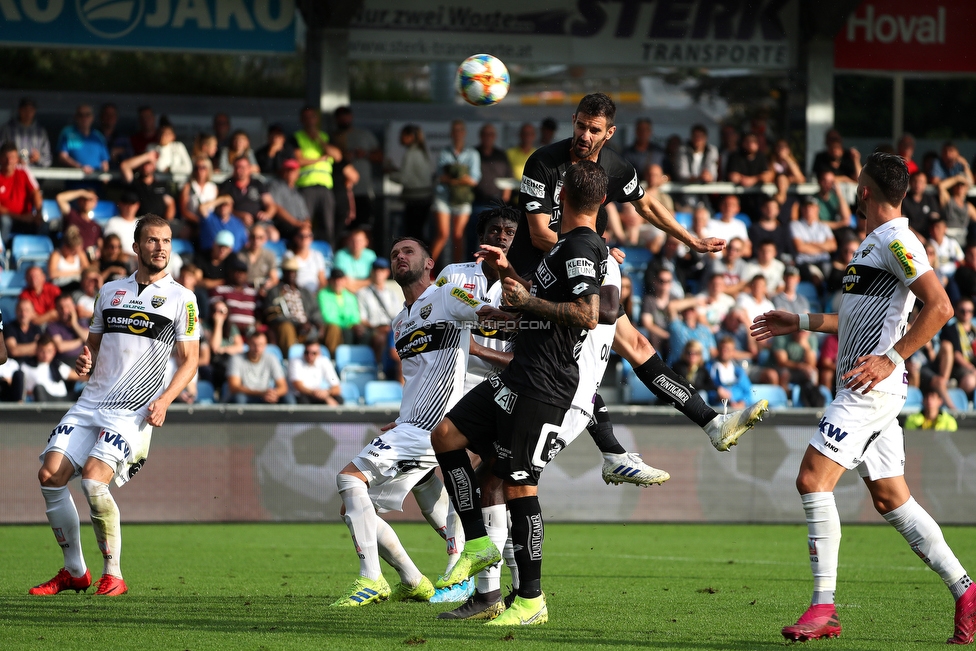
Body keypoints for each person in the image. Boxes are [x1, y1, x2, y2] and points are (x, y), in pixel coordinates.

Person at [751, 152, 976, 644]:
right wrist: (803, 321)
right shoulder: (875, 244)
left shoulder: (897, 239)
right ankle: (966, 591)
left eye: (857, 185)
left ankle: (823, 606)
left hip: (868, 388)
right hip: (866, 386)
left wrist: (890, 358)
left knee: (812, 478)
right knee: (891, 498)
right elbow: (857, 321)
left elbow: (940, 307)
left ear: (865, 191)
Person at [509, 93, 765, 456]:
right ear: (573, 120)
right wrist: (589, 248)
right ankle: (613, 453)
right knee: (562, 370)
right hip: (537, 278)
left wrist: (690, 239)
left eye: (593, 129)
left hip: (581, 271)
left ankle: (711, 423)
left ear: (609, 132)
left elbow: (645, 204)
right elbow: (536, 234)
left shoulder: (615, 168)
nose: (584, 135)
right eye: (580, 125)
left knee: (637, 345)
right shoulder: (543, 163)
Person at [331, 235, 510, 607]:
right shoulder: (399, 323)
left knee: (349, 478)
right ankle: (413, 579)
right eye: (394, 253)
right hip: (411, 425)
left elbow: (488, 317)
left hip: (434, 426)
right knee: (351, 506)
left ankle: (372, 579)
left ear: (429, 264)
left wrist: (527, 316)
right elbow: (415, 379)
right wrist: (401, 418)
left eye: (408, 251)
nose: (400, 256)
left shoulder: (445, 293)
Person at [30, 214, 199, 597]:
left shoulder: (182, 299)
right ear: (136, 247)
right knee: (49, 476)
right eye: (153, 241)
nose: (161, 248)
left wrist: (166, 400)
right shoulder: (109, 291)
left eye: (167, 241)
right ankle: (75, 571)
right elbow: (91, 345)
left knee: (93, 479)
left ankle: (114, 573)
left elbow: (191, 360)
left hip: (134, 409)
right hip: (91, 402)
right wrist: (83, 358)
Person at [433, 120, 481, 266]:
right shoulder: (444, 152)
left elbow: (474, 179)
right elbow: (440, 177)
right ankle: (428, 267)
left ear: (464, 133)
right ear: (451, 134)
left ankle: (456, 268)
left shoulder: (472, 153)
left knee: (458, 236)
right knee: (443, 234)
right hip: (444, 196)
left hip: (462, 198)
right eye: (455, 130)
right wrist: (460, 176)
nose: (458, 133)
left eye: (460, 130)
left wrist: (453, 178)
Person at [294, 106, 343, 245]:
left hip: (324, 187)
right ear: (302, 120)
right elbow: (298, 160)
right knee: (305, 222)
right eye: (306, 117)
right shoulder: (297, 137)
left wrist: (320, 140)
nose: (309, 120)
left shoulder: (326, 137)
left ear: (316, 119)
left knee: (327, 225)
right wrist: (320, 159)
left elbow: (337, 156)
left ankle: (327, 253)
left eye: (312, 117)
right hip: (306, 186)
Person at [332, 106, 382, 226]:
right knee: (344, 228)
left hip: (362, 190)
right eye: (341, 118)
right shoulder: (333, 137)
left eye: (346, 117)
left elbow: (379, 157)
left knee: (364, 227)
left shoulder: (364, 135)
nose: (344, 120)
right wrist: (343, 157)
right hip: (340, 191)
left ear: (351, 117)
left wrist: (365, 154)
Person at [263, 256, 320, 353]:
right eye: (288, 271)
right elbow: (272, 314)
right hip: (287, 326)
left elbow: (315, 310)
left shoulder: (305, 292)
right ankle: (289, 356)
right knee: (287, 328)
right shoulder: (275, 291)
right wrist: (297, 324)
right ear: (283, 272)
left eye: (293, 271)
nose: (291, 274)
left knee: (325, 329)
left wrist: (318, 324)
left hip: (306, 327)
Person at [388, 124, 433, 241]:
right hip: (424, 197)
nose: (400, 138)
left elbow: (404, 178)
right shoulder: (421, 152)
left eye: (403, 135)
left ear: (410, 137)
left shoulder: (411, 153)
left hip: (416, 199)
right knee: (418, 232)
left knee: (413, 234)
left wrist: (389, 174)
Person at [356, 258, 402, 366]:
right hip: (373, 329)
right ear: (371, 272)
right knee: (380, 338)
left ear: (387, 273)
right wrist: (377, 328)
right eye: (375, 270)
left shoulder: (392, 294)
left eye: (381, 270)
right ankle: (379, 367)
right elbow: (362, 319)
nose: (378, 273)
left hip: (392, 328)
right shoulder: (362, 293)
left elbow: (399, 315)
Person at [227, 328, 292, 404]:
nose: (257, 348)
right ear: (248, 343)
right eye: (254, 345)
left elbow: (283, 387)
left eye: (260, 345)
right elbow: (234, 387)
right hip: (247, 396)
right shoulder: (236, 359)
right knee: (239, 398)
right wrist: (261, 393)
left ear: (265, 345)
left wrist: (274, 394)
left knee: (288, 398)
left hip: (265, 395)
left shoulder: (271, 359)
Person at [0, 141, 44, 243]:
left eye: (12, 157)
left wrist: (38, 213)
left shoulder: (24, 171)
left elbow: (36, 193)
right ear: (0, 158)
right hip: (8, 219)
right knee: (5, 221)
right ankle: (2, 254)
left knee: (42, 223)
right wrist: (21, 218)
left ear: (17, 159)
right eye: (6, 157)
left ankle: (40, 253)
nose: (9, 161)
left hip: (26, 218)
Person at [218, 156, 276, 232]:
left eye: (242, 167)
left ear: (249, 168)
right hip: (236, 222)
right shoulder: (227, 185)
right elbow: (222, 208)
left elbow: (271, 205)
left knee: (273, 235)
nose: (239, 170)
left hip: (259, 222)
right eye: (237, 167)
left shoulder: (257, 183)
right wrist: (239, 215)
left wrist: (266, 214)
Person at [119, 151, 176, 223]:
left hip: (158, 223)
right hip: (137, 223)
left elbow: (170, 204)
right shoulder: (134, 183)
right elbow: (124, 166)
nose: (145, 167)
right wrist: (147, 156)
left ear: (154, 166)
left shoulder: (162, 184)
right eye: (143, 164)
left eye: (149, 164)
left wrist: (166, 223)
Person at [56, 104, 109, 176]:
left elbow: (105, 162)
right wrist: (80, 167)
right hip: (75, 182)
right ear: (75, 117)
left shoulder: (98, 136)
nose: (84, 118)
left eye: (87, 115)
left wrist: (105, 177)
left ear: (92, 117)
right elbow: (62, 157)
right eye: (80, 115)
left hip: (96, 183)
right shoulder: (68, 133)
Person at [318, 269, 360, 356]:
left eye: (340, 279)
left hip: (348, 327)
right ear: (330, 281)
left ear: (344, 281)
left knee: (362, 333)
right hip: (333, 327)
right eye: (335, 279)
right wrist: (348, 324)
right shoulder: (323, 294)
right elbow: (328, 317)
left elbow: (355, 317)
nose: (338, 282)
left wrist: (353, 325)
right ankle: (334, 357)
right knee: (338, 330)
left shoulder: (350, 296)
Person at [267, 158, 311, 242]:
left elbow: (306, 214)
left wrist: (307, 224)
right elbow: (277, 207)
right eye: (287, 170)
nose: (290, 173)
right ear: (282, 171)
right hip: (284, 225)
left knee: (309, 233)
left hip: (299, 226)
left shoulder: (297, 192)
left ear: (298, 174)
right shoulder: (275, 186)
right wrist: (295, 223)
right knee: (302, 235)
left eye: (293, 170)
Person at [0, 97, 51, 167]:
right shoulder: (7, 129)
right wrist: (13, 159)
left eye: (31, 110)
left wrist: (38, 159)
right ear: (19, 110)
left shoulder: (41, 132)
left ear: (34, 111)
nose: (28, 113)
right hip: (13, 173)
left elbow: (48, 160)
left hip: (35, 173)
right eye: (25, 110)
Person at [473, 123, 513, 209]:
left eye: (490, 134)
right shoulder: (473, 153)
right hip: (476, 202)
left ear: (495, 136)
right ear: (480, 136)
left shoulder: (501, 155)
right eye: (485, 134)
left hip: (497, 203)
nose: (487, 137)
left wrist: (504, 201)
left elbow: (509, 177)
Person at [178, 156, 219, 231]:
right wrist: (199, 221)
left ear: (208, 169)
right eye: (197, 168)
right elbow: (184, 211)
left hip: (208, 223)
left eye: (203, 167)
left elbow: (215, 209)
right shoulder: (188, 187)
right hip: (191, 223)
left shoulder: (213, 187)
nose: (199, 170)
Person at [56, 188, 102, 253]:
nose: (87, 202)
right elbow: (60, 198)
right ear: (79, 200)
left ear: (95, 202)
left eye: (90, 199)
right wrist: (81, 192)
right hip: (71, 256)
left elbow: (100, 246)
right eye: (84, 198)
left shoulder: (96, 227)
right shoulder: (72, 215)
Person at [47, 226, 90, 294]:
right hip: (61, 288)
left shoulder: (80, 253)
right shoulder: (56, 255)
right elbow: (52, 274)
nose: (76, 253)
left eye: (78, 251)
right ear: (66, 247)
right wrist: (76, 272)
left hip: (77, 287)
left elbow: (87, 271)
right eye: (74, 251)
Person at [239, 223, 279, 296]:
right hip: (244, 289)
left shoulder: (269, 255)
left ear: (265, 239)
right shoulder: (240, 255)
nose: (256, 240)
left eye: (260, 237)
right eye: (253, 237)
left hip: (262, 289)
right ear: (248, 237)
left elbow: (274, 278)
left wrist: (266, 286)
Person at [333, 227, 376, 292]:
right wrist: (366, 282)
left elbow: (375, 279)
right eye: (353, 241)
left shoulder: (371, 255)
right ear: (348, 241)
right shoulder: (340, 255)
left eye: (359, 241)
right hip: (346, 292)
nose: (356, 244)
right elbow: (342, 282)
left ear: (366, 242)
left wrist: (354, 284)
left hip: (367, 292)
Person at [903, 170, 940, 241]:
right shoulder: (904, 199)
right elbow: (903, 224)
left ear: (926, 184)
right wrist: (918, 237)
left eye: (921, 182)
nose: (918, 184)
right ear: (910, 182)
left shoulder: (930, 199)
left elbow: (936, 219)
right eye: (915, 181)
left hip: (930, 237)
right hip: (909, 237)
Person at [5, 298, 42, 364]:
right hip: (14, 365)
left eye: (27, 310)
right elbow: (13, 351)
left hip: (34, 364)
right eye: (20, 310)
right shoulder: (9, 328)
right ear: (16, 311)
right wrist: (36, 346)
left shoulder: (36, 328)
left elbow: (42, 348)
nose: (23, 314)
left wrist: (21, 349)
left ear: (32, 312)